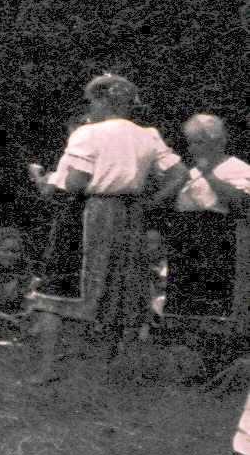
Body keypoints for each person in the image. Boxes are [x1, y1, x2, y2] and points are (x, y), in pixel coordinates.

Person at [26, 73, 188, 384]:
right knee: (119, 288)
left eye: (91, 101)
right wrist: (151, 202)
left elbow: (74, 184)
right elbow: (179, 175)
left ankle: (47, 370)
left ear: (101, 100)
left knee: (57, 288)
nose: (89, 108)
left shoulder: (88, 134)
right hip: (130, 216)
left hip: (88, 212)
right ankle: (105, 371)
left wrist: (46, 182)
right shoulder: (148, 135)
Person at [156, 114, 250, 322]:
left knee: (212, 296)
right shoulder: (190, 172)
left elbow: (240, 203)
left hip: (219, 234)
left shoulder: (238, 168)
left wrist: (209, 173)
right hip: (187, 231)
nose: (192, 149)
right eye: (190, 143)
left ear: (218, 141)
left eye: (198, 142)